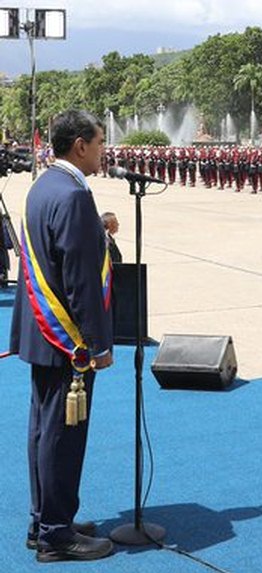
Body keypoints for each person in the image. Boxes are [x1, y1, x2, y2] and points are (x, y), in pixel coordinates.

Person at [10, 110, 115, 562]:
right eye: (99, 142)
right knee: (62, 435)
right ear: (80, 146)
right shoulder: (72, 195)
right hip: (65, 340)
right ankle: (56, 536)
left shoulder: (44, 186)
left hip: (40, 333)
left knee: (44, 431)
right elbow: (79, 279)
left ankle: (46, 519)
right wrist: (98, 343)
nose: (103, 151)